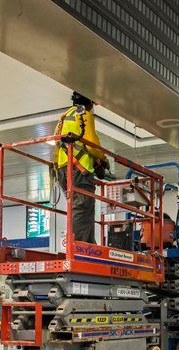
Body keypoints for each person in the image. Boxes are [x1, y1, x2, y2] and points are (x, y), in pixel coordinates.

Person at [53, 91, 108, 244]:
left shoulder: (64, 116)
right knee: (83, 207)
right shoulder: (84, 115)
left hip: (63, 169)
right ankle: (80, 246)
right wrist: (102, 158)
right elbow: (92, 144)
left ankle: (88, 243)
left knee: (80, 207)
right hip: (79, 169)